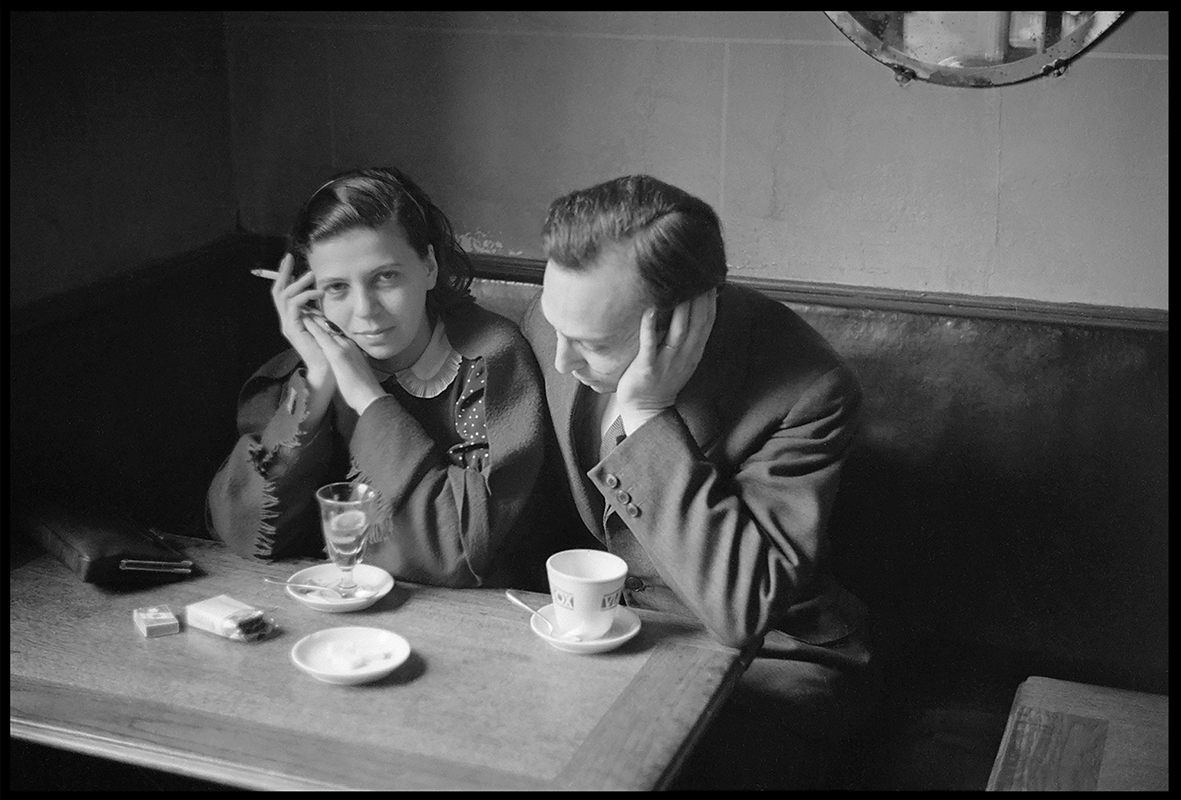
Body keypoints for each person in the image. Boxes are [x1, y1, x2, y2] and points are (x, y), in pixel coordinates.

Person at [520, 175, 879, 789]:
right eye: (556, 328)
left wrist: (650, 415)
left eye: (593, 345)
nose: (562, 361)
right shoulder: (564, 321)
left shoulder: (811, 388)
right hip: (610, 634)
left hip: (772, 659)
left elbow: (744, 606)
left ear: (683, 318)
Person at [208, 166, 549, 588]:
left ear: (428, 266)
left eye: (385, 277)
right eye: (336, 288)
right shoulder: (304, 371)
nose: (365, 311)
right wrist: (316, 385)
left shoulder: (490, 359)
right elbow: (243, 529)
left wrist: (367, 398)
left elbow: (459, 552)